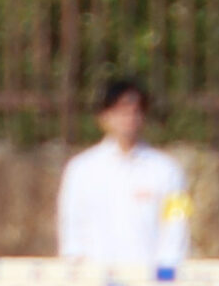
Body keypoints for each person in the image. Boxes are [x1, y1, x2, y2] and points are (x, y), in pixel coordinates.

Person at [57, 77, 190, 270]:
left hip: (151, 284)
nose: (128, 118)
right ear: (104, 117)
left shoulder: (171, 170)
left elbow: (178, 226)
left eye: (135, 111)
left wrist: (167, 270)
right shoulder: (79, 170)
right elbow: (70, 225)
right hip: (95, 282)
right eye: (120, 112)